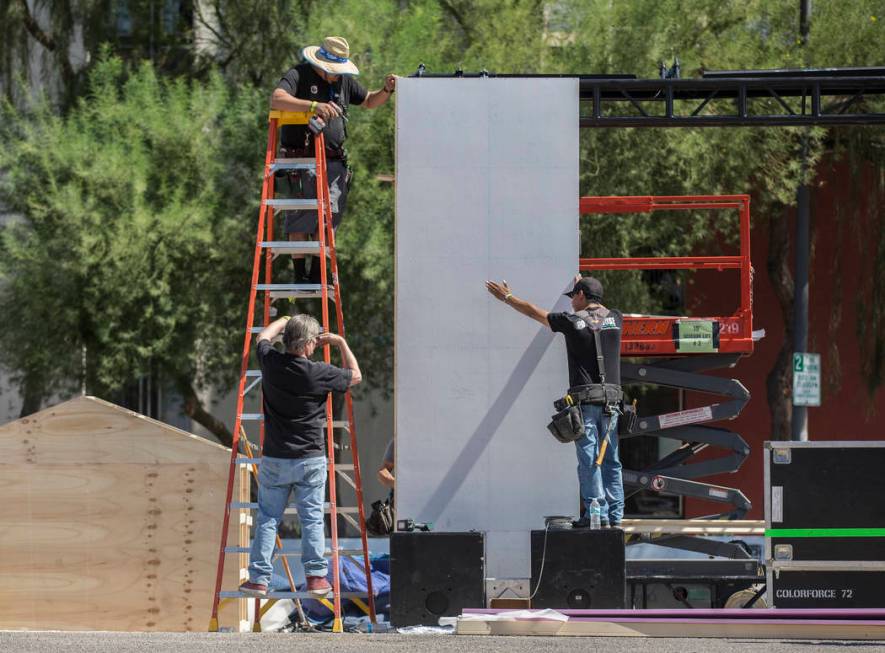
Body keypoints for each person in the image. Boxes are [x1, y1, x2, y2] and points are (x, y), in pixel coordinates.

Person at [485, 275, 624, 528]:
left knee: (590, 459)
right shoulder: (616, 318)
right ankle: (615, 516)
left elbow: (534, 312)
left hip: (586, 402)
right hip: (611, 402)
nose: (571, 303)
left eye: (574, 296)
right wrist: (584, 284)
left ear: (581, 294)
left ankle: (596, 514)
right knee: (611, 460)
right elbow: (596, 315)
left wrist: (507, 298)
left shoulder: (571, 322)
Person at [239, 314, 362, 598]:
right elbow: (355, 375)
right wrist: (341, 343)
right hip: (310, 458)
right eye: (316, 342)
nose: (317, 347)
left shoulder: (271, 364)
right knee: (312, 519)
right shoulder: (319, 372)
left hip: (275, 458)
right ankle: (317, 578)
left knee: (268, 518)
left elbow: (262, 338)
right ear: (307, 344)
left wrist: (282, 319)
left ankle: (258, 579)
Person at [270, 36, 397, 284]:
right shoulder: (300, 74)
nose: (336, 75)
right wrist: (312, 106)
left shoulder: (344, 82)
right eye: (333, 71)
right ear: (321, 63)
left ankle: (318, 273)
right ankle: (300, 276)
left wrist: (387, 90)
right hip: (301, 159)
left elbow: (370, 101)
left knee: (330, 217)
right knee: (299, 218)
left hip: (333, 161)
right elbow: (277, 98)